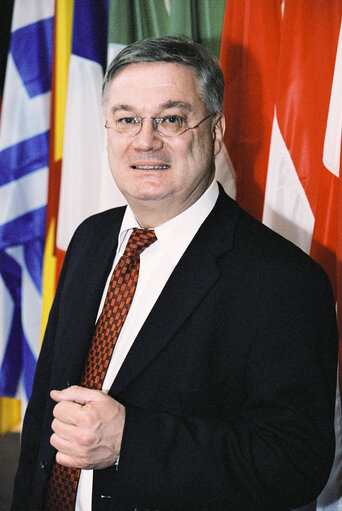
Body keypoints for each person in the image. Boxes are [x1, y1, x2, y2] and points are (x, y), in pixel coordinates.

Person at [11, 36, 338, 511]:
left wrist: (131, 442)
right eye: (127, 120)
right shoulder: (91, 239)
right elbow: (45, 413)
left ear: (216, 131)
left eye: (171, 118)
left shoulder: (285, 281)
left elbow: (294, 465)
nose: (145, 139)